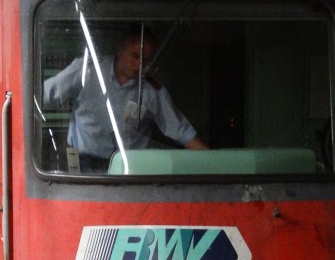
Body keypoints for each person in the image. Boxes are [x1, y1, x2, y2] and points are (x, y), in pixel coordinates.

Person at [32, 26, 207, 172]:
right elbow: (42, 96)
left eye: (145, 60)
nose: (140, 65)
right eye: (135, 56)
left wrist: (212, 161)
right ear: (120, 49)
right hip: (84, 163)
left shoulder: (151, 91)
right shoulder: (88, 70)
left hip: (131, 166)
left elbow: (180, 130)